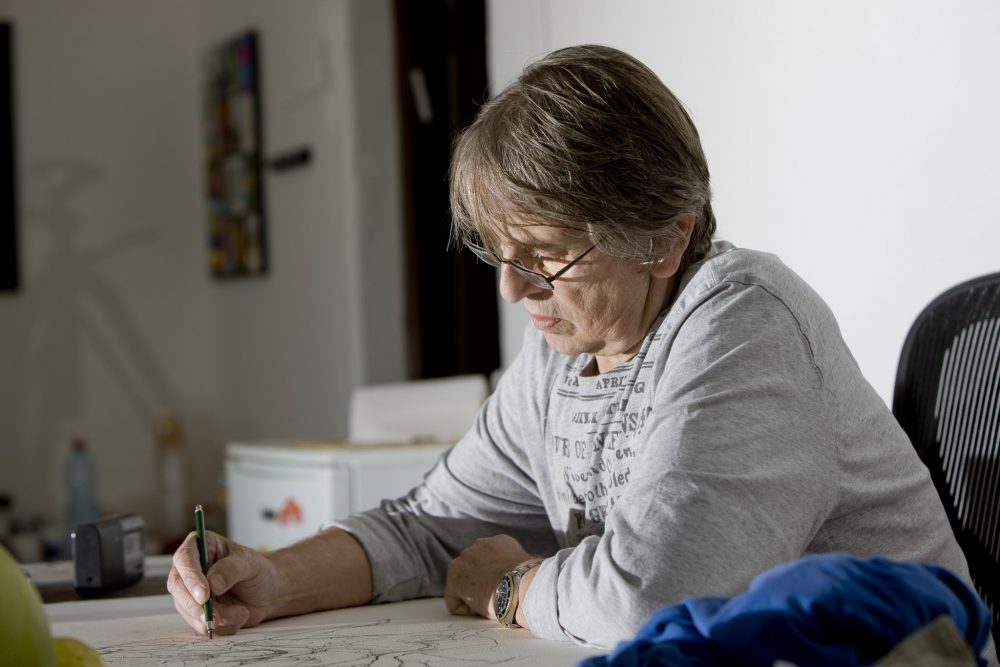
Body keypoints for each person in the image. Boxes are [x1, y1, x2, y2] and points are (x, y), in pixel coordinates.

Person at [167, 44, 987, 656]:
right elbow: (431, 530)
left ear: (665, 240)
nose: (513, 291)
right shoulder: (568, 350)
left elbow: (651, 597)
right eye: (500, 253)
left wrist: (508, 584)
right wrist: (272, 578)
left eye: (545, 257)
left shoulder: (747, 326)